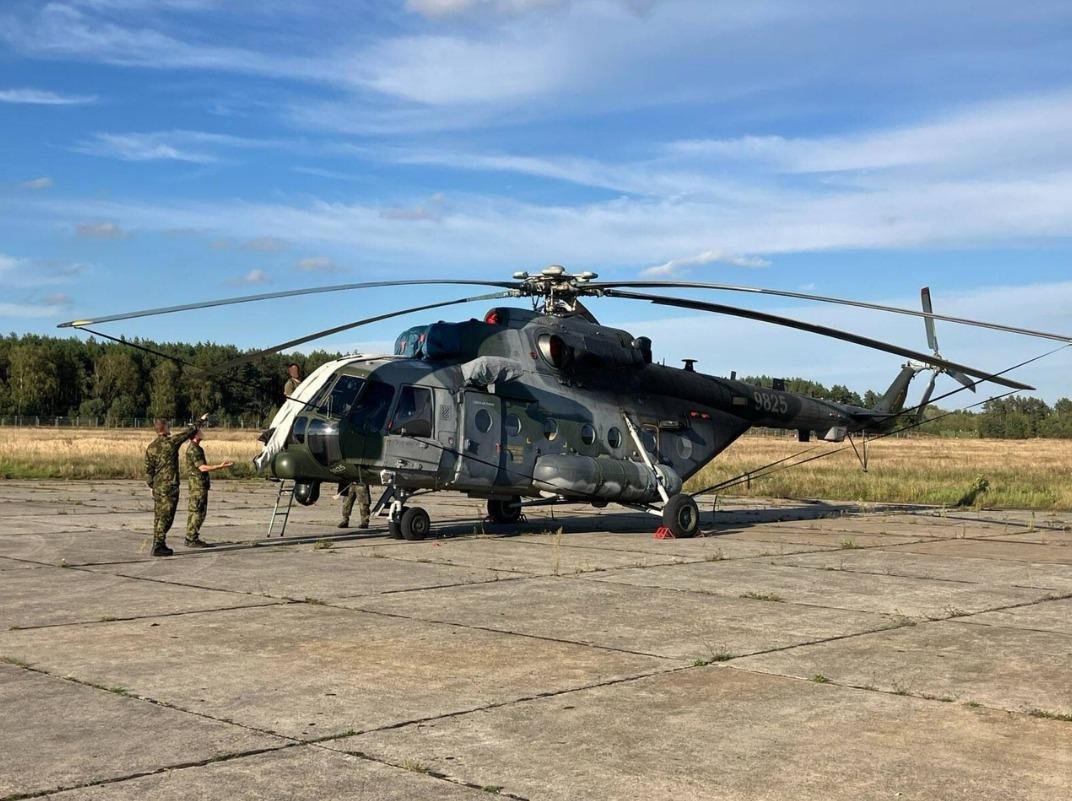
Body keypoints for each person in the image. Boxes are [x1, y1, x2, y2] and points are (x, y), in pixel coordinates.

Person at [145, 414, 208, 557]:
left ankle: (158, 542)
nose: (170, 428)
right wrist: (201, 420)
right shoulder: (171, 442)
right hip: (169, 487)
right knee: (167, 517)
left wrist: (151, 486)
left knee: (158, 516)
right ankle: (158, 545)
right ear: (164, 428)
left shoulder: (151, 447)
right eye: (168, 425)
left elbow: (148, 471)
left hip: (158, 487)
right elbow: (188, 433)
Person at [184, 429, 234, 547]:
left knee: (196, 511)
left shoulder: (196, 447)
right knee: (198, 512)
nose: (202, 432)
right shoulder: (194, 449)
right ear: (195, 435)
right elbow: (202, 468)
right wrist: (220, 466)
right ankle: (191, 538)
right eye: (199, 431)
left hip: (198, 485)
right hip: (198, 486)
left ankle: (190, 537)